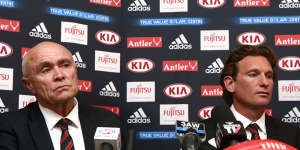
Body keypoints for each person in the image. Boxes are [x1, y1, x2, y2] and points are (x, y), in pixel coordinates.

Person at [0, 41, 121, 150]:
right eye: (46, 70)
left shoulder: (107, 122)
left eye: (65, 65)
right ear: (29, 84)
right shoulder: (8, 127)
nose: (59, 75)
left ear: (75, 70)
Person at [202, 45, 300, 149]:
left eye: (269, 76)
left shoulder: (293, 135)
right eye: (253, 74)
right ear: (230, 84)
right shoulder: (200, 135)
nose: (265, 82)